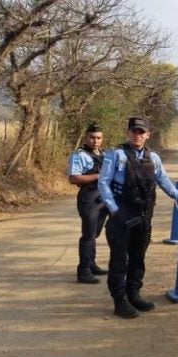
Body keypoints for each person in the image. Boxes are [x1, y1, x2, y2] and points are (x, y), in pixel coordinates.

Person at [98, 117, 178, 319]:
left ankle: (134, 294)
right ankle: (120, 300)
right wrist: (114, 209)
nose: (137, 135)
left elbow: (165, 183)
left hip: (143, 214)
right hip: (121, 214)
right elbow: (103, 183)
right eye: (134, 131)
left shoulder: (154, 158)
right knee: (119, 260)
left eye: (142, 132)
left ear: (148, 134)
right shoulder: (115, 155)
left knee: (138, 257)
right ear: (127, 132)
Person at [68, 122, 109, 284]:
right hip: (89, 198)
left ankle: (91, 264)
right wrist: (99, 176)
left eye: (98, 138)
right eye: (92, 137)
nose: (95, 141)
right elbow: (74, 178)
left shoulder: (104, 154)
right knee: (88, 235)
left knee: (95, 234)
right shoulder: (79, 155)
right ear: (86, 137)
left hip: (104, 197)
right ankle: (83, 271)